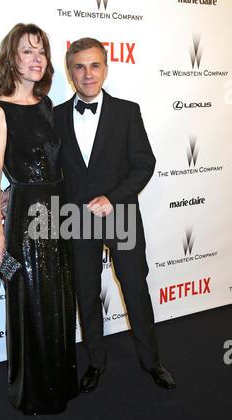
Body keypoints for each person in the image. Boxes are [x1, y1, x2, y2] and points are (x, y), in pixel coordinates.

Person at [53, 38, 176, 392]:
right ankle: (95, 361)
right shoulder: (57, 115)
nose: (87, 74)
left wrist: (113, 197)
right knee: (86, 293)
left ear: (105, 69)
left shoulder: (127, 111)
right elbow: (47, 169)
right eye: (79, 66)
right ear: (70, 71)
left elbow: (144, 163)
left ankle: (151, 362)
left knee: (135, 290)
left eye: (94, 66)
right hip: (76, 217)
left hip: (120, 213)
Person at [0, 23, 78, 415]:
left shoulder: (47, 105)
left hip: (59, 210)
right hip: (28, 220)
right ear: (11, 58)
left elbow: (54, 162)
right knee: (33, 300)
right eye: (27, 51)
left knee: (59, 298)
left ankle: (60, 382)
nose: (37, 59)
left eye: (42, 52)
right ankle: (35, 391)